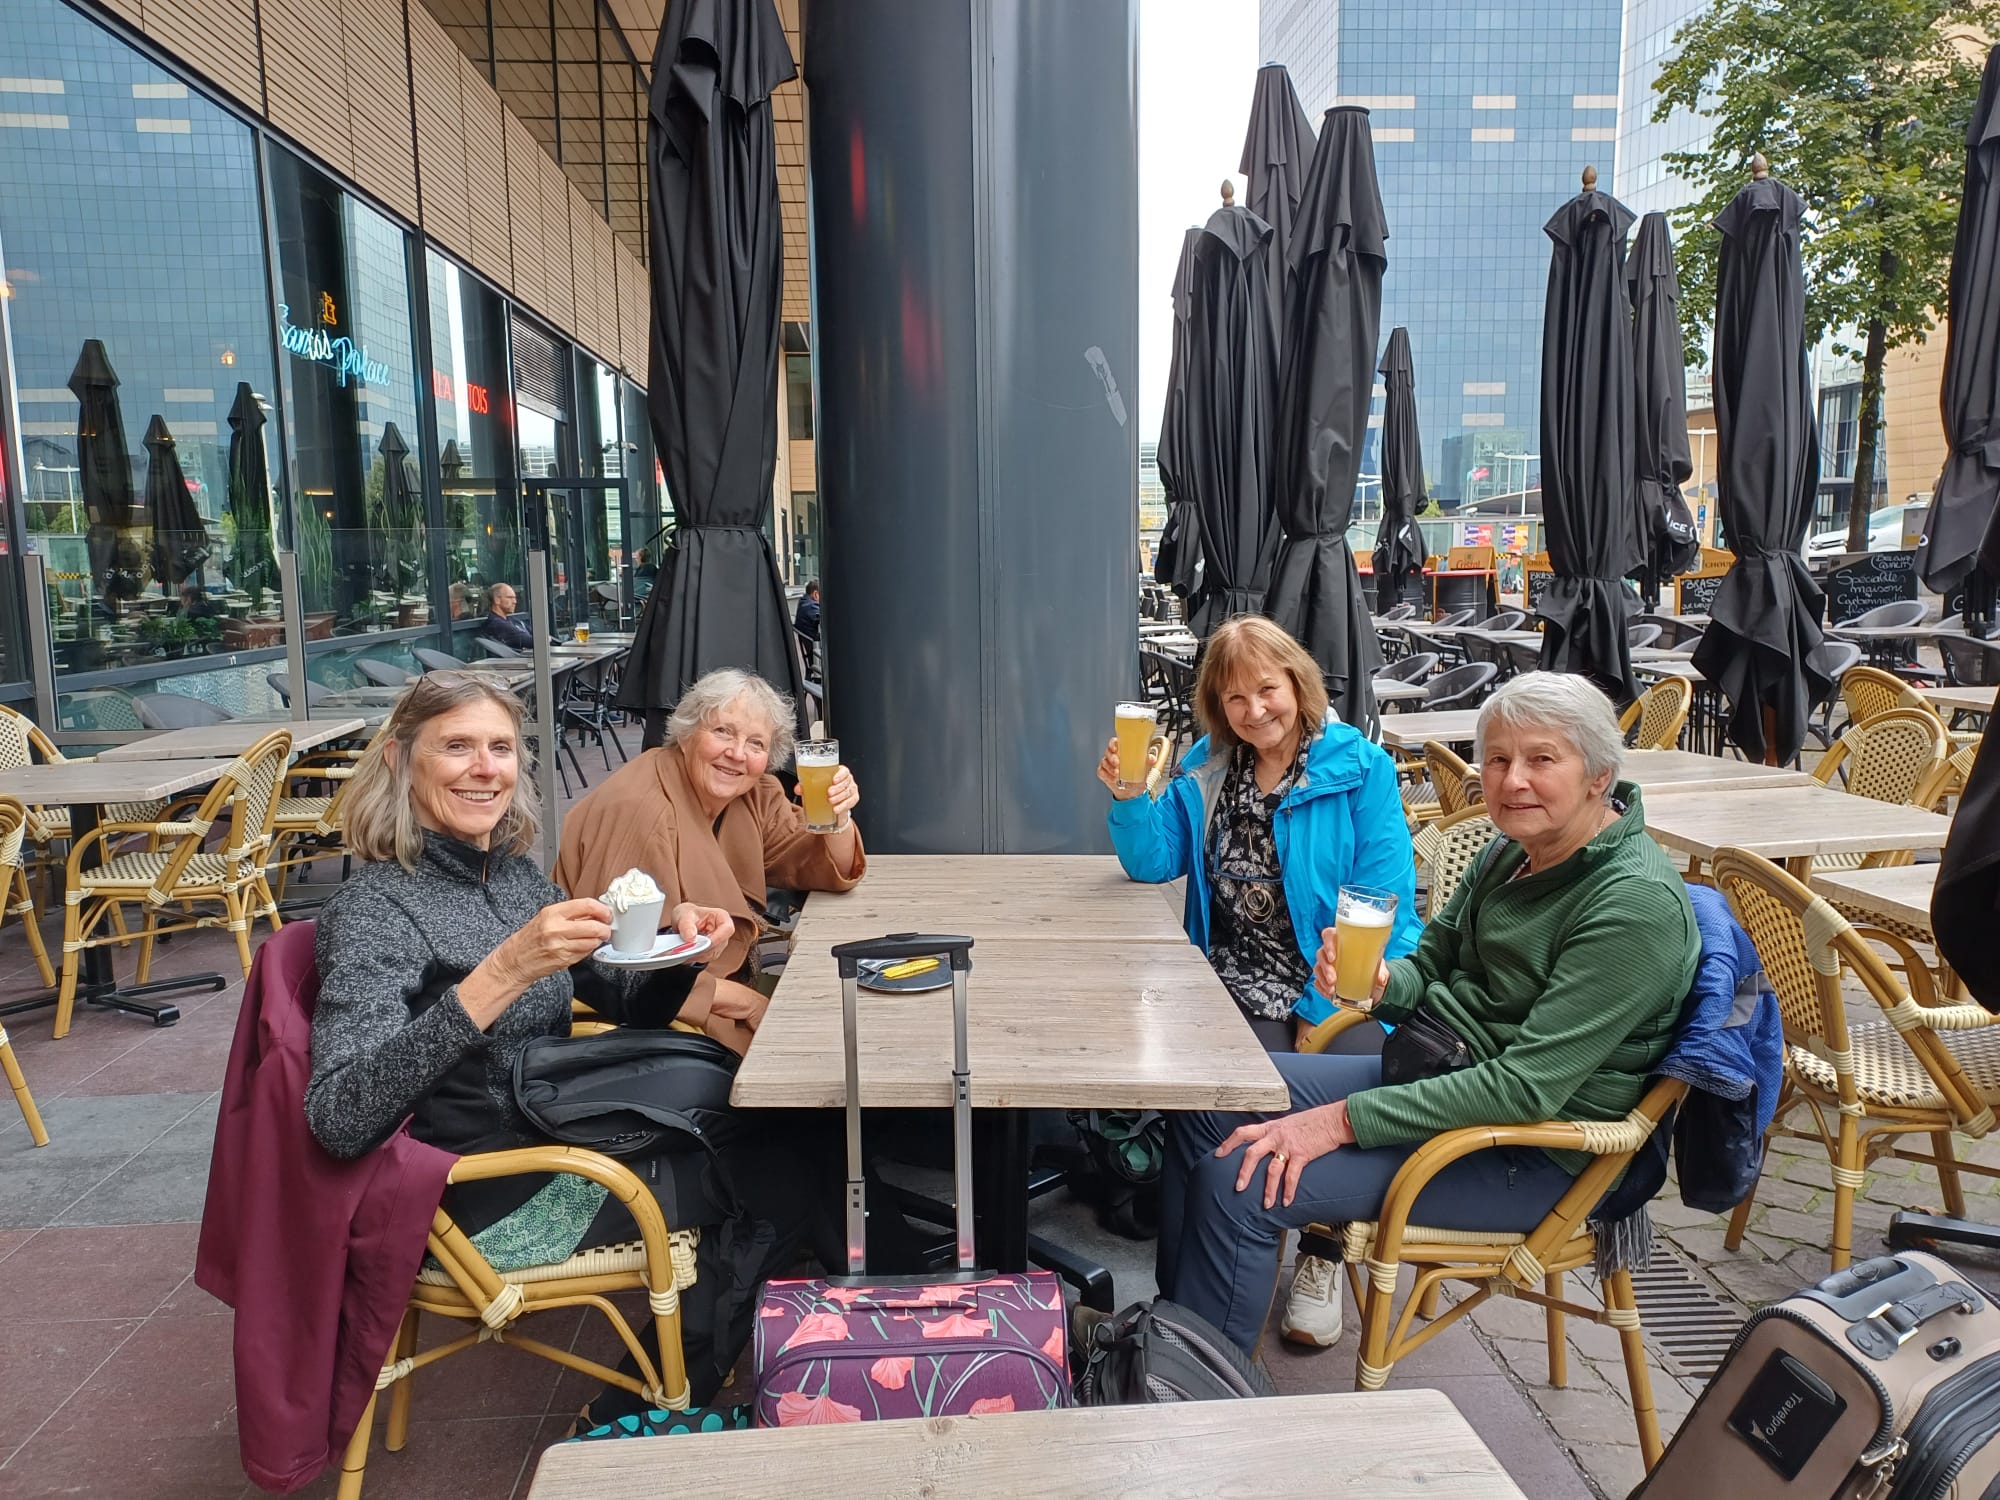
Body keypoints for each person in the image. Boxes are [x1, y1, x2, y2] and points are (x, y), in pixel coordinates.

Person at [303, 672, 820, 1412]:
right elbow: (340, 1117)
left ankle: (849, 1345)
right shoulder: (374, 909)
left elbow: (623, 1002)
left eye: (501, 748)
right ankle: (646, 1409)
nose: (486, 768)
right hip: (487, 1197)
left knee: (800, 1137)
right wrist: (503, 973)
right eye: (458, 747)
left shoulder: (511, 878)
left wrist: (682, 951)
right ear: (398, 760)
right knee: (788, 1170)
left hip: (564, 1130)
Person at [1149, 672, 1698, 1355]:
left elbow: (1525, 1089)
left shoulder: (1632, 906)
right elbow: (1431, 966)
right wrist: (1380, 984)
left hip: (1537, 1152)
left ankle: (1201, 1390)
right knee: (1212, 1099)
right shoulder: (1511, 852)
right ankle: (1172, 1333)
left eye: (1541, 759)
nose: (1512, 780)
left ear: (1599, 776)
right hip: (1447, 1079)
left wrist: (1337, 1123)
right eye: (1497, 759)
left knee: (1246, 1183)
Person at [1101, 614, 1421, 1056]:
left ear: (1296, 683)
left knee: (1328, 1087)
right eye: (1236, 697)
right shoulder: (1210, 764)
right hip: (1236, 973)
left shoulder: (1361, 768)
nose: (1254, 711)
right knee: (1201, 1075)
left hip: (1342, 976)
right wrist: (1131, 796)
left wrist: (1318, 1010)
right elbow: (1152, 862)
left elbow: (1382, 898)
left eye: (1267, 689)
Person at [554, 668, 864, 1053]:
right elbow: (614, 972)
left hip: (709, 992)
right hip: (656, 1029)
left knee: (851, 1020)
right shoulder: (640, 814)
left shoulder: (748, 794)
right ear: (686, 733)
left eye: (755, 743)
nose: (737, 754)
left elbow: (820, 864)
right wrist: (748, 1002)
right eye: (722, 732)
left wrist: (837, 814)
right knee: (829, 1050)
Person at [478, 582, 535, 651]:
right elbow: (531, 641)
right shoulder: (496, 624)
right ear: (497, 600)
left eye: (514, 598)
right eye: (510, 597)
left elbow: (534, 633)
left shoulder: (512, 620)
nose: (515, 602)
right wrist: (546, 639)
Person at [793, 581, 821, 671]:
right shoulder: (811, 606)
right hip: (818, 654)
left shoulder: (803, 604)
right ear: (816, 594)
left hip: (814, 652)